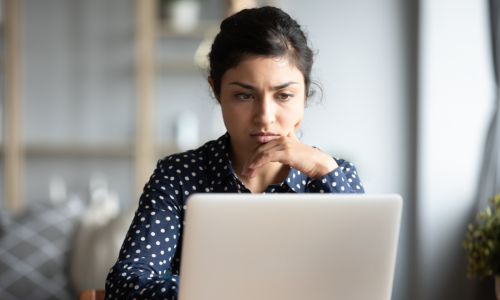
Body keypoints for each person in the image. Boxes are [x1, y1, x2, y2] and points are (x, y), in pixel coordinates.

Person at [105, 6, 365, 300]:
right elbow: (126, 287)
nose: (265, 116)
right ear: (216, 92)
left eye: (284, 95)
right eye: (245, 95)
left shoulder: (333, 174)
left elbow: (364, 285)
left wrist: (324, 171)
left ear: (305, 94)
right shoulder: (178, 176)